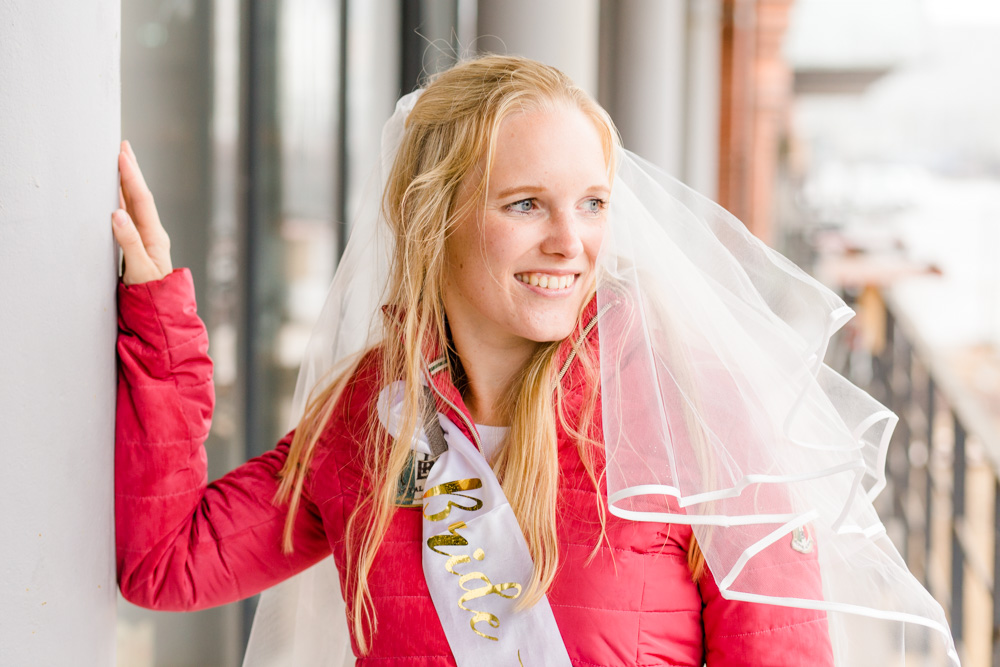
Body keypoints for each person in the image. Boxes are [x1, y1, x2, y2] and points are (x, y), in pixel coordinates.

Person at [114, 56, 958, 666]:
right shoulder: (370, 421)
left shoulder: (691, 412)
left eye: (592, 203)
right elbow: (168, 564)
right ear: (434, 219)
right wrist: (157, 316)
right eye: (526, 204)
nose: (571, 241)